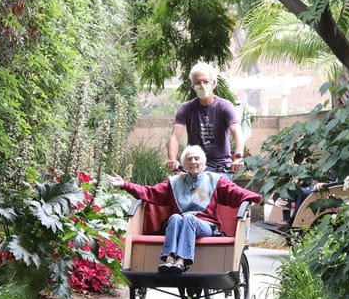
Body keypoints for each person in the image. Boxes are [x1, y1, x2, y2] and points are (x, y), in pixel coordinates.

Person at [107, 145, 262, 274]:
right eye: (189, 159)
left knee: (188, 218)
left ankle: (181, 261)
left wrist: (260, 198)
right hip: (180, 223)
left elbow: (238, 193)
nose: (193, 162)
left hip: (206, 226)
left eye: (197, 158)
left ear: (203, 162)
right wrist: (125, 184)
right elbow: (150, 192)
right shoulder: (174, 182)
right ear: (184, 164)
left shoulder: (215, 180)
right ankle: (169, 259)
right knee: (174, 217)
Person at [167, 61, 245, 179]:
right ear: (193, 86)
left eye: (205, 81)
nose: (202, 85)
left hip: (221, 165)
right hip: (195, 164)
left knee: (219, 191)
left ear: (213, 83)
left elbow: (237, 133)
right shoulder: (186, 108)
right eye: (197, 83)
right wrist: (172, 159)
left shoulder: (225, 106)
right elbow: (175, 136)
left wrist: (238, 158)